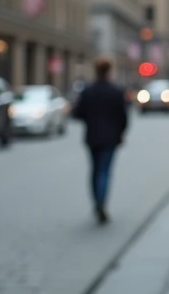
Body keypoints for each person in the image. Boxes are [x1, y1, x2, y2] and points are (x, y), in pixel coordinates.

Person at [72, 57, 128, 224]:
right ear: (109, 71)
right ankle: (101, 203)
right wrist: (120, 132)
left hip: (92, 137)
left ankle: (97, 203)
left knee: (95, 170)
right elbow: (123, 118)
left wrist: (91, 118)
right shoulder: (116, 91)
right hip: (111, 138)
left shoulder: (87, 91)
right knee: (104, 171)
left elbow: (77, 113)